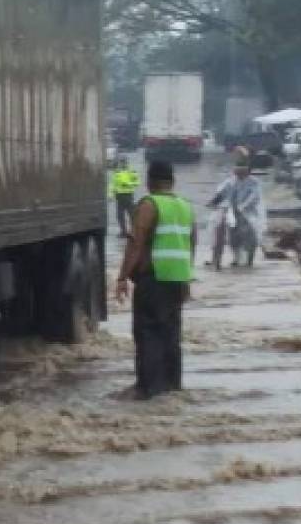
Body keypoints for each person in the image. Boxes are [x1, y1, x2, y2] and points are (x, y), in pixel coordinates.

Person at [114, 159, 196, 399]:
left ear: (149, 182)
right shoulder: (185, 206)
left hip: (153, 279)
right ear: (172, 181)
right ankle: (172, 387)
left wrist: (121, 278)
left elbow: (135, 244)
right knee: (171, 335)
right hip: (178, 281)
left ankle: (148, 390)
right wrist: (187, 281)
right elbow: (191, 245)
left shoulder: (149, 205)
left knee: (148, 333)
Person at [208, 147, 265, 268]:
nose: (239, 175)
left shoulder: (254, 182)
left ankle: (249, 259)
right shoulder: (231, 182)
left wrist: (243, 206)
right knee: (234, 237)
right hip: (233, 213)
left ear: (247, 172)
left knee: (251, 237)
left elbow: (254, 197)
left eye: (241, 172)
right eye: (237, 172)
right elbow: (222, 193)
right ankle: (236, 258)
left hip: (249, 214)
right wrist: (213, 202)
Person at [109, 156, 141, 237]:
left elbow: (137, 182)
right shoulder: (117, 172)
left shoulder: (131, 172)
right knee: (120, 215)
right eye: (121, 162)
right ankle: (123, 231)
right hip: (119, 197)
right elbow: (112, 184)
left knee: (132, 214)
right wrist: (110, 195)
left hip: (128, 196)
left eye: (124, 162)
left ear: (127, 163)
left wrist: (128, 184)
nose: (123, 164)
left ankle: (134, 231)